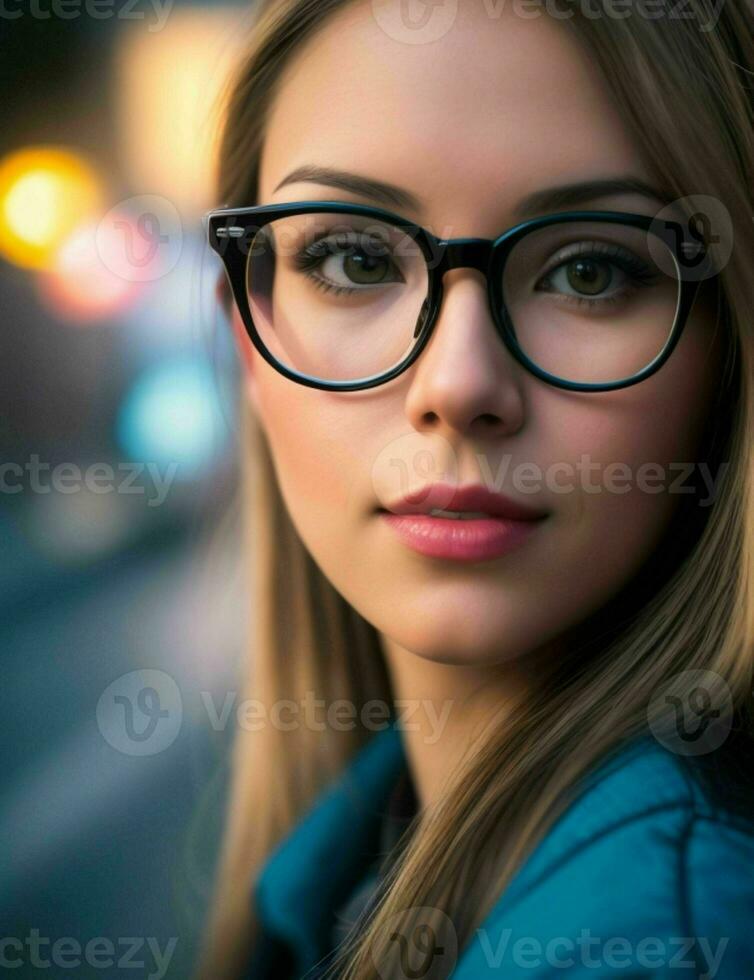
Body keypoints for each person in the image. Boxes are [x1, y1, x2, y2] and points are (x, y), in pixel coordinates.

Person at [195, 0, 754, 977]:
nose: (456, 385)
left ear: (732, 346)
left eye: (590, 269)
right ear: (248, 333)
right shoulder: (341, 871)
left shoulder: (662, 943)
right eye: (355, 258)